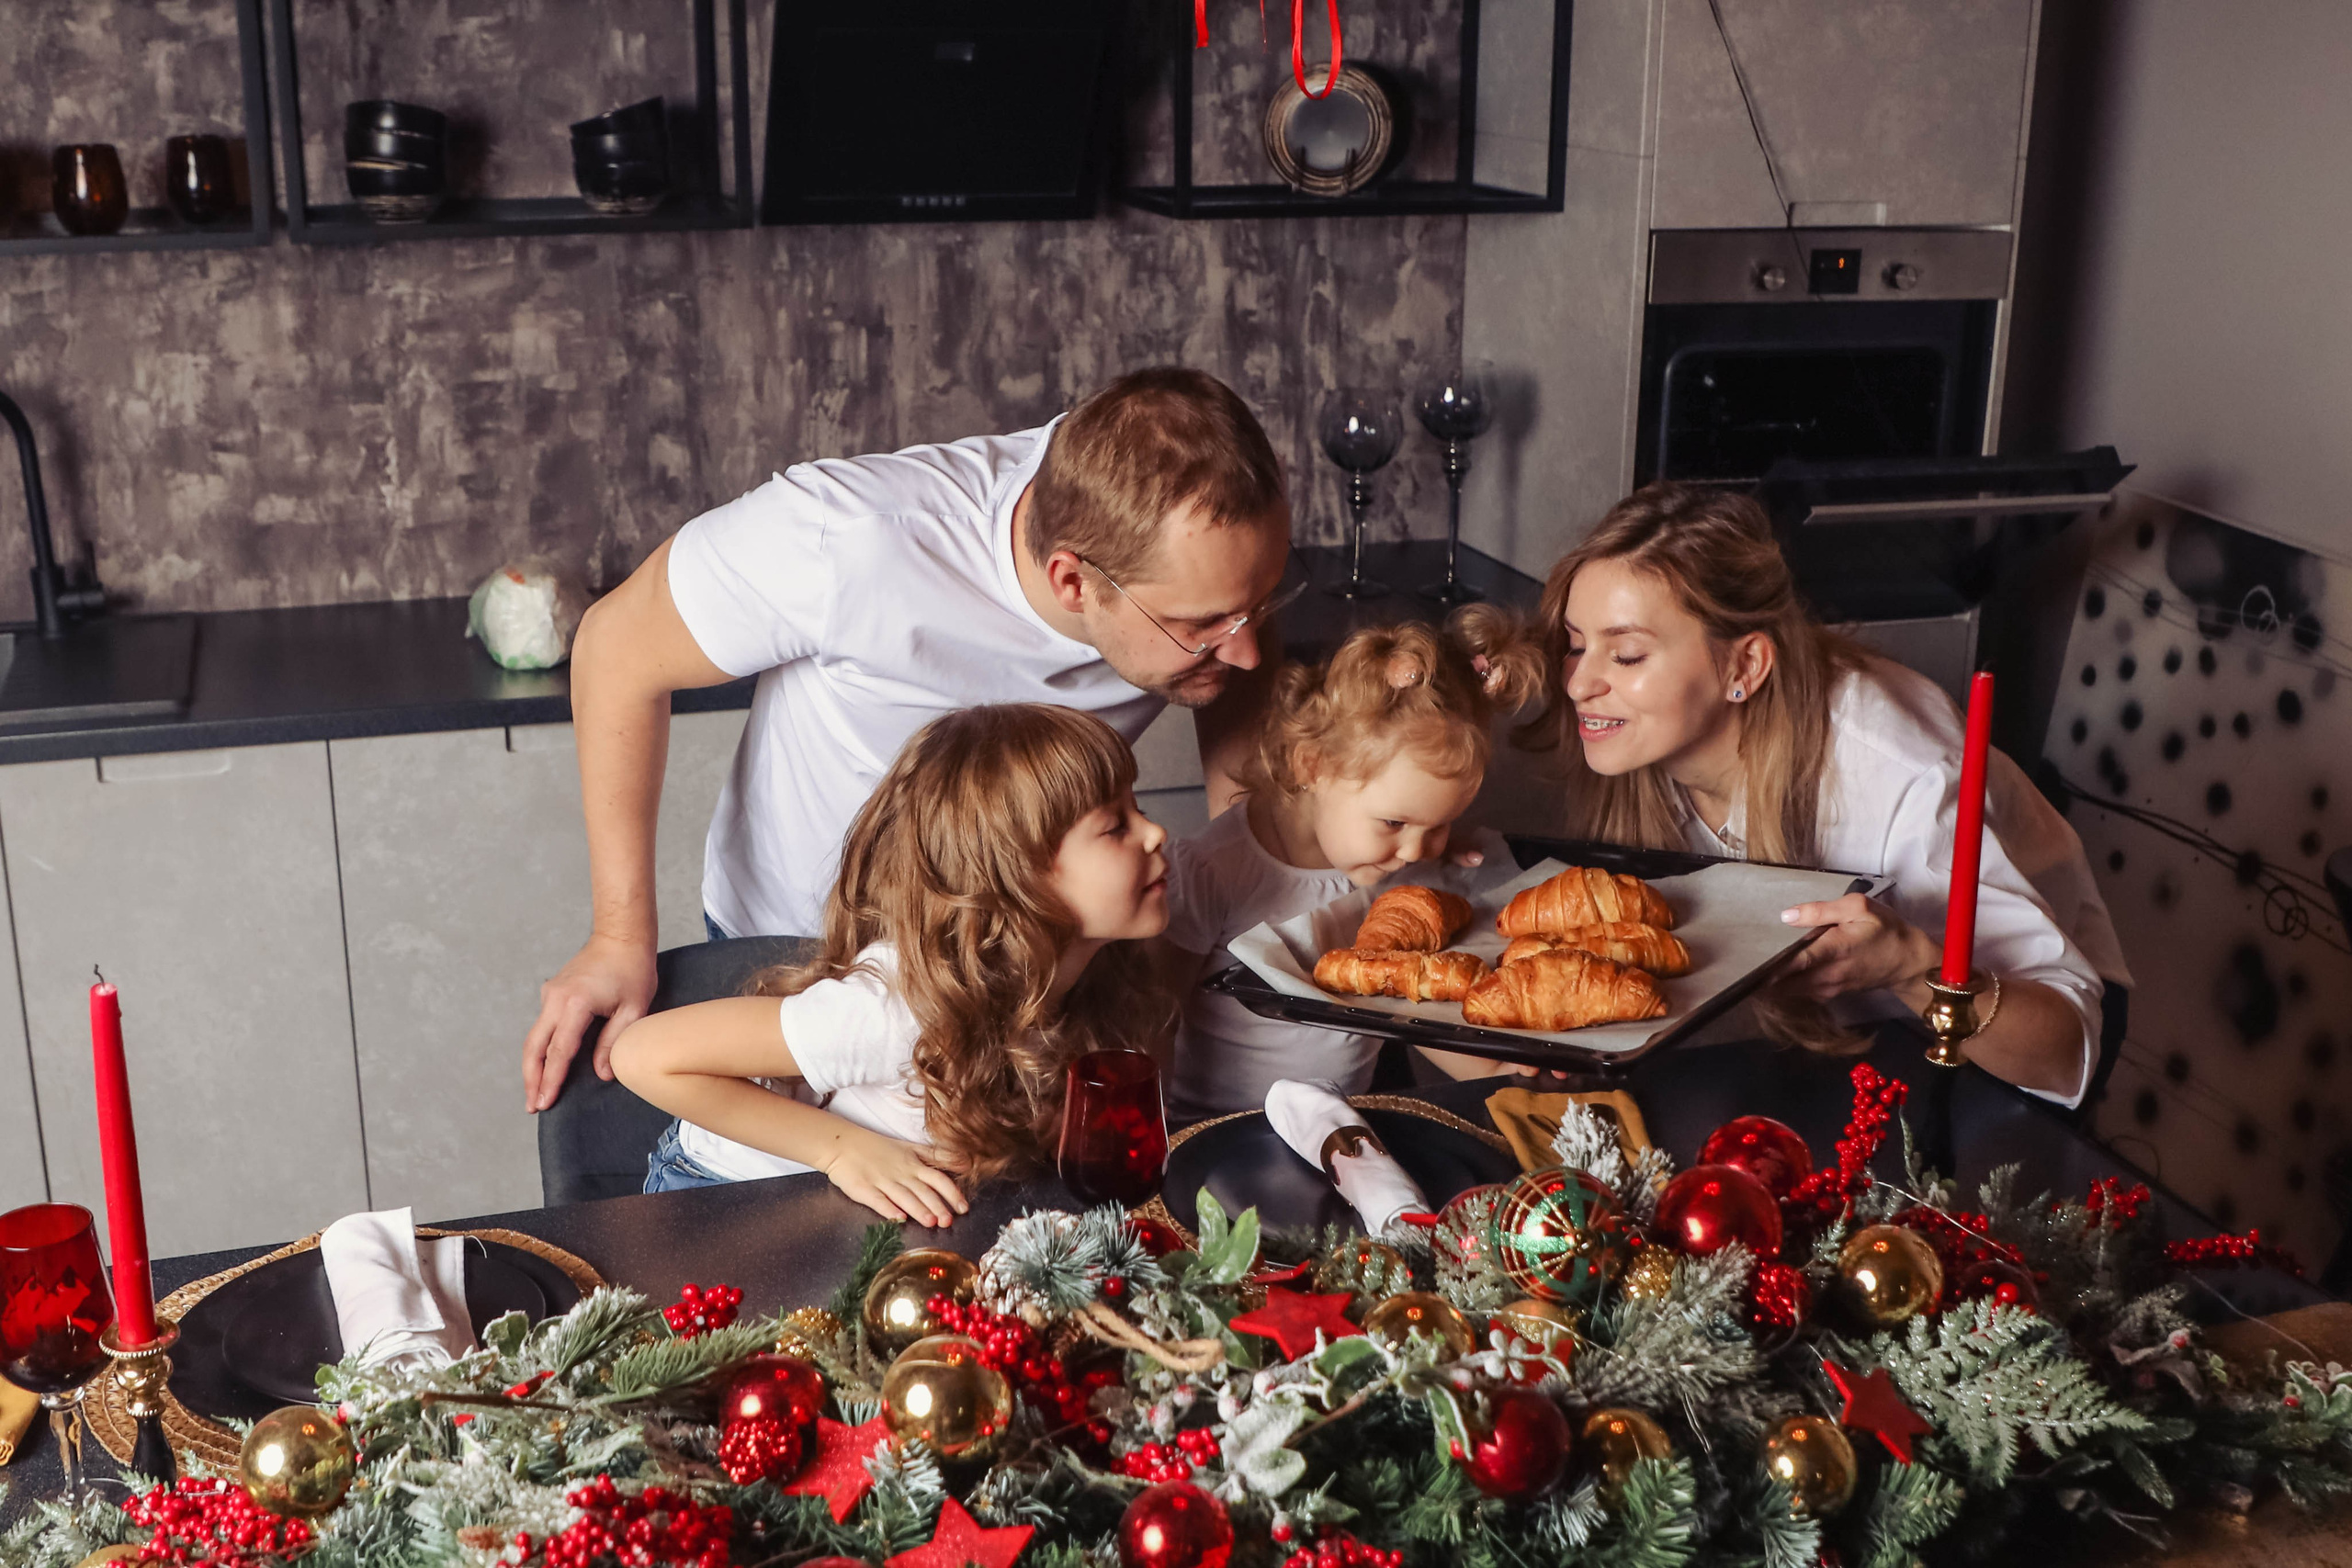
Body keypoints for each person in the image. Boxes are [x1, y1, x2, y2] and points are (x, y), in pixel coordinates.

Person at [524, 368, 1295, 1112]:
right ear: (1072, 581)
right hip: (804, 956)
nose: (1246, 651)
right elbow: (616, 647)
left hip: (1036, 968)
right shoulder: (847, 538)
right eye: (1200, 626)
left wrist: (1245, 873)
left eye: (1258, 606)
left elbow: (1242, 658)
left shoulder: (1181, 551)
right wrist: (619, 934)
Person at [1526, 483, 2130, 1105]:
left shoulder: (1904, 776)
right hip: (1835, 1033)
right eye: (1577, 645)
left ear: (1744, 667)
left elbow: (2067, 1049)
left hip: (2010, 1033)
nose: (1579, 683)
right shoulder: (1639, 742)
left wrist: (1910, 970)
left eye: (1627, 655)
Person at [608, 705, 1174, 1225]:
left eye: (1139, 808)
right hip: (728, 1195)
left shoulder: (1090, 980)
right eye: (1115, 826)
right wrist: (842, 1151)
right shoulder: (898, 1011)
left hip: (859, 1210)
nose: (1157, 833)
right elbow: (643, 1056)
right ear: (1014, 876)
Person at [1158, 608, 1547, 1118]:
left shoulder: (1398, 876)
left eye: (1439, 826)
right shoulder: (1213, 872)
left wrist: (1508, 1067)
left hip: (1346, 1131)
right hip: (1217, 1133)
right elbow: (1151, 1021)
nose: (1416, 851)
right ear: (1312, 765)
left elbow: (1412, 1006)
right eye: (1394, 822)